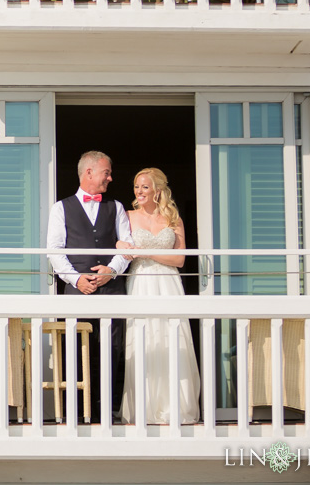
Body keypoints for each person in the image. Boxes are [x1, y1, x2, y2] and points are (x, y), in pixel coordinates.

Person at [46, 151, 133, 421]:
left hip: (111, 290)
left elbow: (127, 246)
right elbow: (54, 251)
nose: (110, 177)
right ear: (89, 173)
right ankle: (76, 414)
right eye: (106, 172)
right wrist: (76, 279)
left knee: (111, 350)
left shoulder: (116, 207)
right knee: (75, 349)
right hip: (76, 291)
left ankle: (105, 412)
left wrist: (111, 270)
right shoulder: (61, 208)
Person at [117, 168, 201, 424]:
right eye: (136, 187)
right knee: (144, 338)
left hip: (168, 283)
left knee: (172, 337)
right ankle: (144, 407)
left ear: (157, 191)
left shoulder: (173, 219)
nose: (139, 192)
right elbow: (120, 245)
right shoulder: (127, 217)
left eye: (144, 187)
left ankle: (175, 405)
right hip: (141, 281)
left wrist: (147, 251)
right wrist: (122, 246)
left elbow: (179, 259)